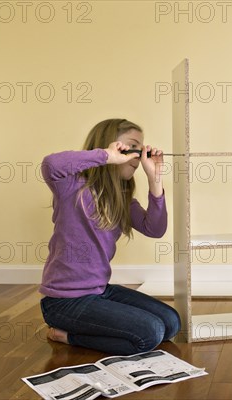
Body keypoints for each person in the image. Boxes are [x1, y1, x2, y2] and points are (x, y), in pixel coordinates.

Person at [38, 118, 180, 355]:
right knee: (150, 333)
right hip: (63, 302)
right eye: (134, 146)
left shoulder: (122, 199)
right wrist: (106, 156)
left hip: (100, 291)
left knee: (172, 323)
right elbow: (50, 164)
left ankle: (97, 325)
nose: (139, 155)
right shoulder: (71, 186)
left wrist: (155, 178)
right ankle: (68, 335)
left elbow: (155, 229)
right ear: (111, 146)